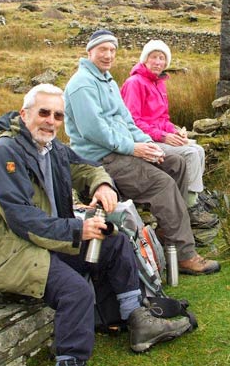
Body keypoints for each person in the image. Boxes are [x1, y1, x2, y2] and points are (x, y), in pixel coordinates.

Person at [0, 84, 192, 366]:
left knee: (115, 243)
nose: (51, 121)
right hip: (14, 252)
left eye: (58, 116)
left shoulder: (52, 148)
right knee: (76, 292)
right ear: (24, 114)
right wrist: (77, 231)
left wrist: (101, 184)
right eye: (44, 113)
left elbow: (88, 167)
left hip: (48, 241)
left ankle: (137, 320)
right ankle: (70, 364)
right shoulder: (5, 154)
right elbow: (20, 218)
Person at [63, 29, 221, 276]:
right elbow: (95, 131)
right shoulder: (81, 85)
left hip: (121, 152)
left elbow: (128, 122)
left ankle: (169, 235)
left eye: (112, 50)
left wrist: (151, 146)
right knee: (162, 184)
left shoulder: (108, 81)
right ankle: (185, 255)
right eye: (102, 49)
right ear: (90, 51)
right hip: (100, 159)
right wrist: (134, 148)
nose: (108, 55)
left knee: (176, 162)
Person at [120, 39, 218, 229]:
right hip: (143, 141)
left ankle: (195, 196)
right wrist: (163, 136)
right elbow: (132, 121)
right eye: (154, 57)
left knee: (197, 149)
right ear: (145, 59)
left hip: (158, 135)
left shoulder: (159, 84)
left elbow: (163, 118)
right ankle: (190, 208)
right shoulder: (134, 83)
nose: (158, 62)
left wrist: (175, 131)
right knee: (189, 153)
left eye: (162, 58)